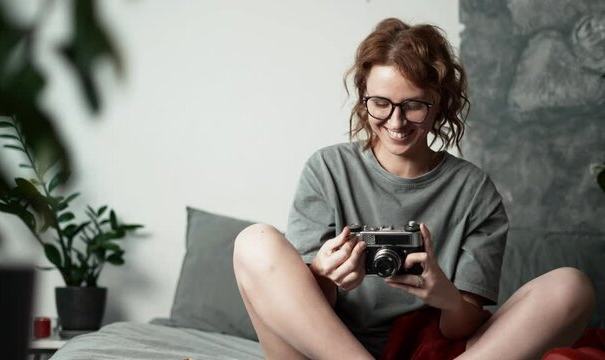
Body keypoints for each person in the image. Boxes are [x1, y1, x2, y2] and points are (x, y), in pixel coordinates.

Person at [233, 18, 596, 360]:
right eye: (381, 103)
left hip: (431, 348)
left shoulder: (473, 191)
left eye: (414, 106)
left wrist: (445, 295)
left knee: (571, 286)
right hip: (327, 351)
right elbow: (301, 311)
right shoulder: (328, 169)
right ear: (364, 97)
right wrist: (325, 277)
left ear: (439, 103)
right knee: (253, 242)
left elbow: (460, 327)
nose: (396, 121)